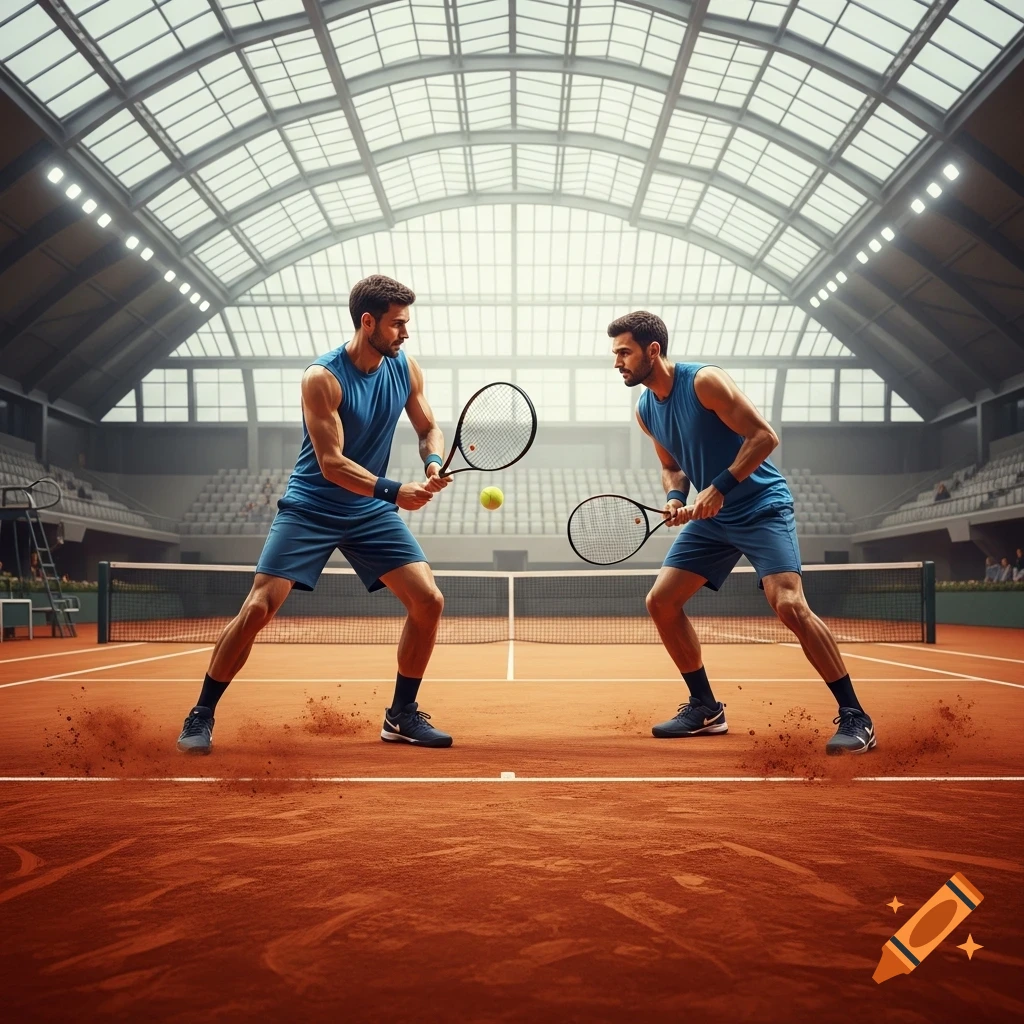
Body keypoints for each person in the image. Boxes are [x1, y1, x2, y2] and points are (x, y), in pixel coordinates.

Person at [176, 275, 452, 754]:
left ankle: (401, 715)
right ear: (368, 322)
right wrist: (394, 492)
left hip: (368, 510)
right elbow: (331, 464)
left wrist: (432, 462)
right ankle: (201, 713)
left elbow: (429, 427)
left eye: (406, 323)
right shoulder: (322, 378)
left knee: (428, 600)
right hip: (313, 506)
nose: (405, 333)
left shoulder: (405, 368)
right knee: (258, 608)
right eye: (397, 324)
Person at [609, 311, 875, 754]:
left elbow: (764, 437)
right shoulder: (645, 409)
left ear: (652, 350)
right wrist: (675, 498)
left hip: (760, 506)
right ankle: (706, 708)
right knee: (661, 602)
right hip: (712, 521)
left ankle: (855, 716)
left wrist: (718, 488)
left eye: (624, 352)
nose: (617, 362)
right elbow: (672, 467)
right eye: (616, 353)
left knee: (788, 604)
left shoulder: (704, 382)